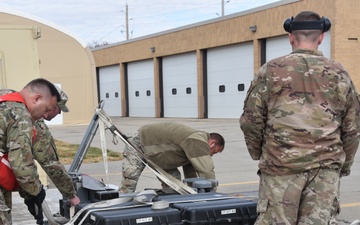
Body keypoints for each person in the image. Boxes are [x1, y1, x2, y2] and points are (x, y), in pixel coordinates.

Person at [240, 11, 360, 225]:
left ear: (291, 37)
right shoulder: (339, 73)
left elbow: (251, 120)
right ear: (321, 37)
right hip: (324, 171)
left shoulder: (271, 71)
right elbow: (353, 127)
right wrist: (344, 165)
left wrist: (260, 153)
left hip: (280, 168)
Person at [0, 78, 60, 225]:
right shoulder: (20, 114)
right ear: (37, 99)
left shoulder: (4, 103)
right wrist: (35, 193)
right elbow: (22, 164)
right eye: (46, 109)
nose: (45, 116)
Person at [18, 86, 80, 224]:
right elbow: (49, 163)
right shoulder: (34, 124)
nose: (57, 114)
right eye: (57, 109)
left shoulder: (9, 103)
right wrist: (71, 194)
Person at [119, 122, 225, 193]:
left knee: (175, 187)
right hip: (140, 141)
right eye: (214, 152)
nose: (211, 155)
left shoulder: (194, 144)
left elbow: (190, 171)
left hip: (161, 156)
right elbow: (206, 171)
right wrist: (213, 194)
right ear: (212, 143)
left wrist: (193, 193)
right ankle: (119, 209)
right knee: (130, 178)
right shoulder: (197, 141)